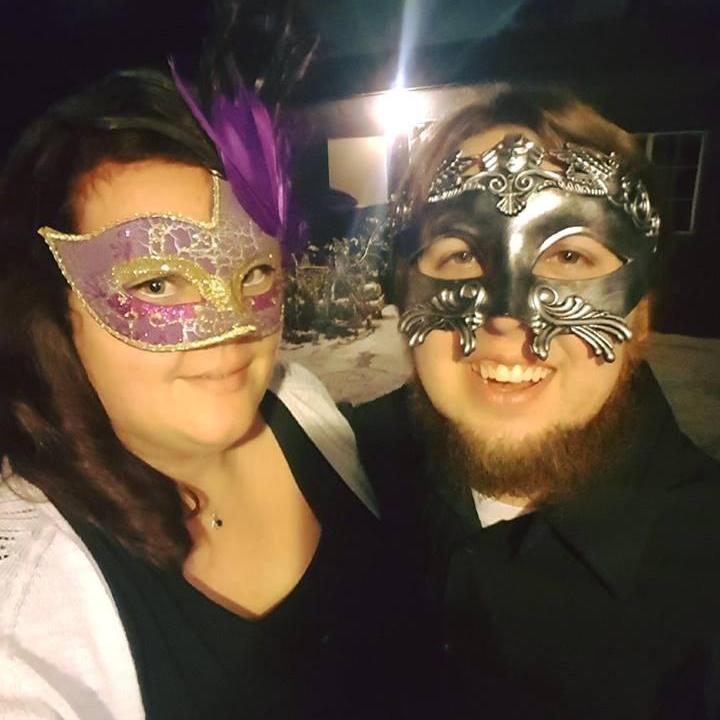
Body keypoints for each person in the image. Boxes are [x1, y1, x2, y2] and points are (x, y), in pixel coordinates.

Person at [0, 67, 409, 720]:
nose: (231, 328)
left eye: (255, 272)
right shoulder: (26, 619)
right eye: (158, 284)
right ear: (55, 308)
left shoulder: (299, 405)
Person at [350, 85, 720, 719]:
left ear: (639, 315)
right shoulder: (340, 467)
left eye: (569, 255)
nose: (507, 317)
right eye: (461, 254)